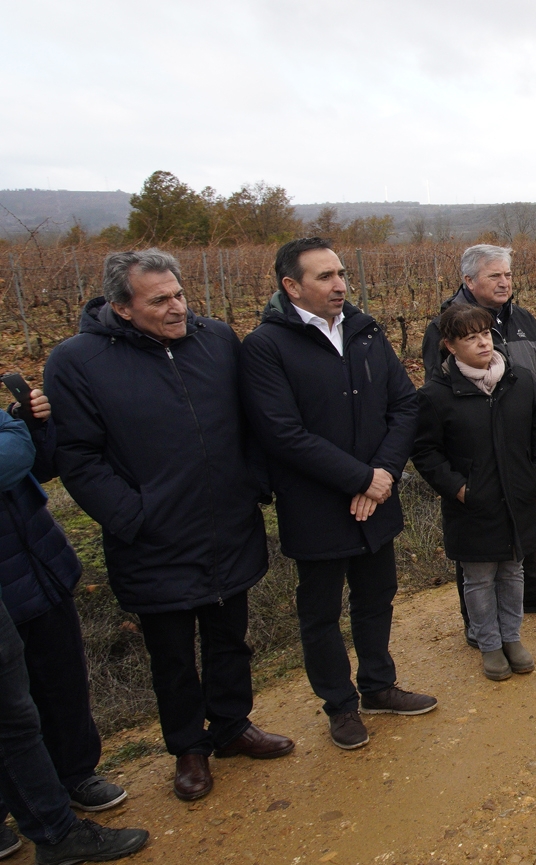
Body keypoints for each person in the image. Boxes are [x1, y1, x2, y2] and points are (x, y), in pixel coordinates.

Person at [46, 249, 294, 802]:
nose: (178, 307)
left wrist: (253, 484)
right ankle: (188, 747)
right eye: (160, 300)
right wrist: (133, 516)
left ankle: (231, 726)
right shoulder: (76, 362)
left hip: (228, 523)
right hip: (153, 540)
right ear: (121, 308)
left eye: (179, 294)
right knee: (174, 655)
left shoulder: (216, 340)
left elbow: (252, 419)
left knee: (231, 639)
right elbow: (79, 458)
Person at [240, 237, 434, 751]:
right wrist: (360, 479)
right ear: (291, 286)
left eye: (341, 273)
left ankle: (378, 686)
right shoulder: (266, 347)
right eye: (325, 276)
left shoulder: (366, 332)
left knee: (376, 598)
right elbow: (282, 433)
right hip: (316, 506)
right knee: (322, 613)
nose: (340, 284)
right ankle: (340, 706)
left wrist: (384, 475)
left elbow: (404, 407)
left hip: (378, 494)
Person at [421, 244, 536, 620]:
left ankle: (532, 593)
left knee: (522, 519)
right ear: (469, 280)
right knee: (475, 537)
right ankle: (479, 622)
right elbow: (437, 388)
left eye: (508, 274)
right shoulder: (445, 327)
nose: (504, 282)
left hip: (520, 440)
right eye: (495, 275)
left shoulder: (522, 318)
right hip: (473, 447)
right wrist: (459, 482)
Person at [412, 304, 536, 681]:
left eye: (485, 333)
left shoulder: (519, 380)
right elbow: (426, 452)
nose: (483, 342)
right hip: (471, 505)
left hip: (517, 496)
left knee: (512, 570)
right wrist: (458, 489)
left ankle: (511, 637)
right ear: (449, 345)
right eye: (470, 337)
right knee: (478, 577)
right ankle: (489, 644)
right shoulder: (436, 395)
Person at [0, 387, 126, 824]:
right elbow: (6, 460)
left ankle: (75, 775)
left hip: (40, 567)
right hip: (8, 585)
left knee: (63, 681)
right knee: (9, 705)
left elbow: (37, 464)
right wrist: (15, 432)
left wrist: (30, 425)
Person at [1, 582, 150, 864]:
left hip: (34, 580)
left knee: (21, 715)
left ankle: (57, 822)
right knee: (12, 724)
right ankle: (56, 834)